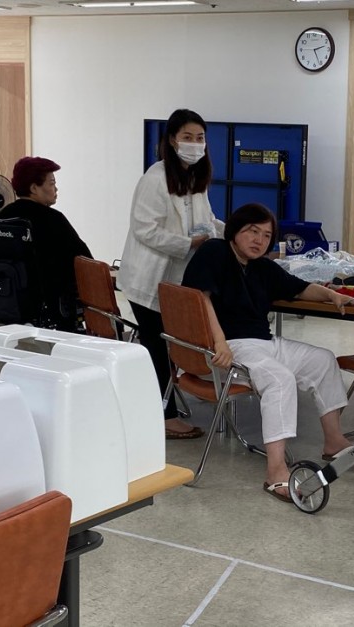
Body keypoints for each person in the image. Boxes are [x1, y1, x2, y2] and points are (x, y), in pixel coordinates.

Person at [182, 203, 354, 502]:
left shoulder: (262, 267)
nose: (259, 240)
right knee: (279, 379)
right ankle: (276, 471)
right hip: (231, 346)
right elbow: (200, 298)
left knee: (323, 360)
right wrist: (219, 342)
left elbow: (300, 288)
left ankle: (334, 441)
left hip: (264, 343)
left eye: (266, 235)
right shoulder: (215, 251)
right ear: (235, 230)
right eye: (252, 231)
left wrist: (331, 295)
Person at [117, 109, 224, 440]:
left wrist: (233, 233)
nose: (195, 144)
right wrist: (187, 243)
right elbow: (144, 229)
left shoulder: (194, 178)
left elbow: (208, 220)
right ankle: (164, 417)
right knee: (156, 345)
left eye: (200, 138)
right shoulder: (155, 178)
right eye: (187, 137)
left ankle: (166, 404)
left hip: (173, 279)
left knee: (165, 342)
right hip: (148, 278)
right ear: (172, 141)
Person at [0, 156, 92, 331]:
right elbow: (84, 260)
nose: (56, 188)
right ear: (34, 188)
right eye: (52, 183)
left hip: (7, 304)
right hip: (52, 308)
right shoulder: (53, 219)